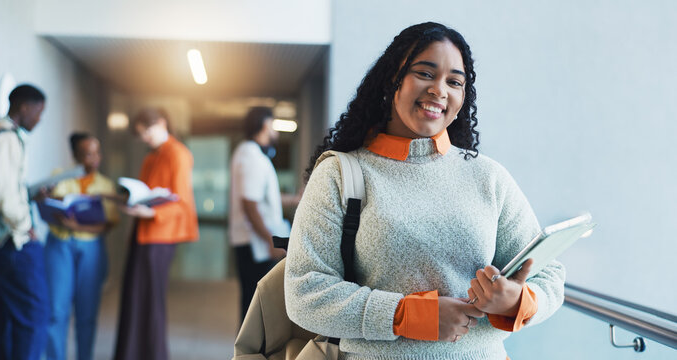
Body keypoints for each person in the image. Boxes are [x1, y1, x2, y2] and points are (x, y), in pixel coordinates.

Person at [284, 22, 565, 359]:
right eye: (425, 73)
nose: (439, 90)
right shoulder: (340, 174)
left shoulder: (488, 177)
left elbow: (549, 275)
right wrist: (410, 316)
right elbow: (304, 292)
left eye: (454, 82)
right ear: (393, 80)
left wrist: (516, 301)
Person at [113, 108, 198, 360]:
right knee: (133, 297)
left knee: (151, 301)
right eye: (141, 135)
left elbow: (182, 202)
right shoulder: (151, 157)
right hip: (142, 234)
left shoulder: (178, 153)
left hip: (161, 236)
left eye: (147, 132)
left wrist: (151, 214)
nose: (145, 138)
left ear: (162, 123)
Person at [45, 132, 119, 360]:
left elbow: (109, 224)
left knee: (87, 313)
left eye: (97, 153)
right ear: (76, 155)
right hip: (60, 245)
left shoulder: (105, 184)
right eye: (87, 154)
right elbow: (47, 209)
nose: (94, 159)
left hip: (90, 250)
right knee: (57, 312)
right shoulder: (59, 177)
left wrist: (79, 226)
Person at [0, 84, 48, 360]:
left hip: (3, 244)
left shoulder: (3, 136)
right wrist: (27, 227)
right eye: (39, 112)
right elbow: (3, 196)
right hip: (14, 243)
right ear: (24, 108)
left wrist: (29, 195)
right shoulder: (6, 138)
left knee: (5, 320)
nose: (39, 119)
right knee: (34, 317)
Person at [229, 107, 297, 323]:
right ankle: (251, 354)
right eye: (274, 124)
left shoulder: (250, 153)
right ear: (266, 124)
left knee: (254, 303)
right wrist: (270, 241)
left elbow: (264, 197)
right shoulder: (252, 157)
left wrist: (295, 199)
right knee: (255, 305)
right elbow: (250, 204)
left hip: (251, 241)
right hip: (255, 243)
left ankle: (250, 352)